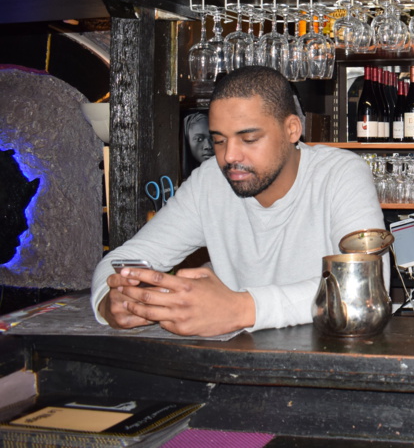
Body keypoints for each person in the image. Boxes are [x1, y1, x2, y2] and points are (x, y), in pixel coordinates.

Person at [90, 66, 384, 336]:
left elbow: (363, 285)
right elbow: (125, 258)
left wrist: (241, 308)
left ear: (292, 129)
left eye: (249, 138)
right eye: (219, 140)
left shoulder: (340, 174)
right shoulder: (210, 182)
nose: (229, 156)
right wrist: (110, 301)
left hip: (327, 363)